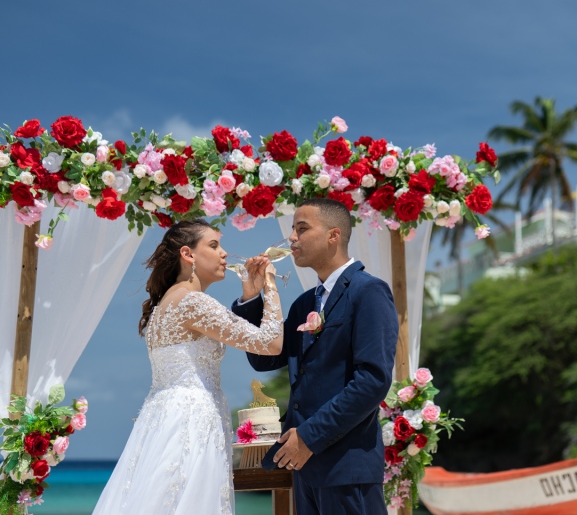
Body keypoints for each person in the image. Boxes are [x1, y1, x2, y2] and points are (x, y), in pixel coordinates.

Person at [93, 218, 283, 515]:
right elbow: (270, 344)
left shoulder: (166, 303)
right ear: (188, 254)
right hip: (192, 421)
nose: (224, 253)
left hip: (164, 417)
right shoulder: (193, 302)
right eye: (214, 245)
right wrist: (270, 285)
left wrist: (249, 293)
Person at [232, 198, 399, 515]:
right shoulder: (304, 303)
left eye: (302, 228)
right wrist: (252, 297)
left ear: (334, 235)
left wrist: (308, 436)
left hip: (346, 465)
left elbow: (373, 381)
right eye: (293, 230)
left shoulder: (368, 292)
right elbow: (264, 359)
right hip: (304, 469)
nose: (292, 238)